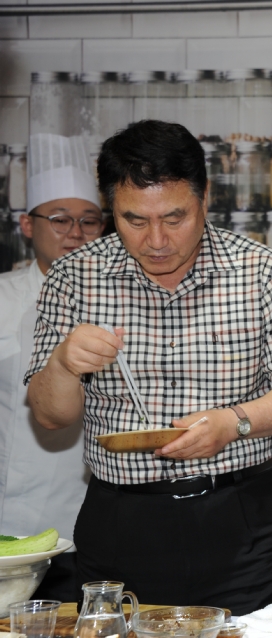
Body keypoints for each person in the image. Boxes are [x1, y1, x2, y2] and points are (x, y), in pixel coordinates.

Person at [24, 120, 272, 614]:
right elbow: (51, 416)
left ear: (205, 200)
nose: (156, 239)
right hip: (121, 518)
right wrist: (63, 364)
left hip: (241, 515)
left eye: (175, 217)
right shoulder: (75, 276)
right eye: (135, 220)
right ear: (111, 209)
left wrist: (234, 421)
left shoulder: (259, 271)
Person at [0, 133, 105, 602]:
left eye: (89, 221)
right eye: (59, 219)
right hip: (7, 523)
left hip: (91, 521)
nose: (75, 233)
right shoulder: (2, 297)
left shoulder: (119, 302)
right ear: (27, 224)